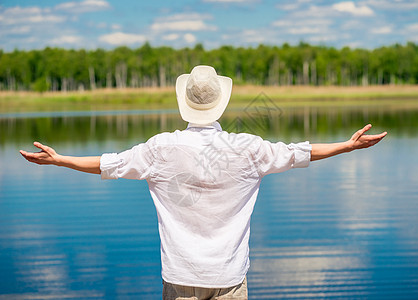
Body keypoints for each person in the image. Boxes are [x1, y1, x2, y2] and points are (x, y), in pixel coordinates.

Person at [20, 65, 387, 300]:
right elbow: (298, 153)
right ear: (220, 105)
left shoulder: (161, 148)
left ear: (186, 102)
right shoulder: (248, 148)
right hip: (229, 279)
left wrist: (59, 160)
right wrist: (348, 146)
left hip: (179, 278)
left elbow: (107, 165)